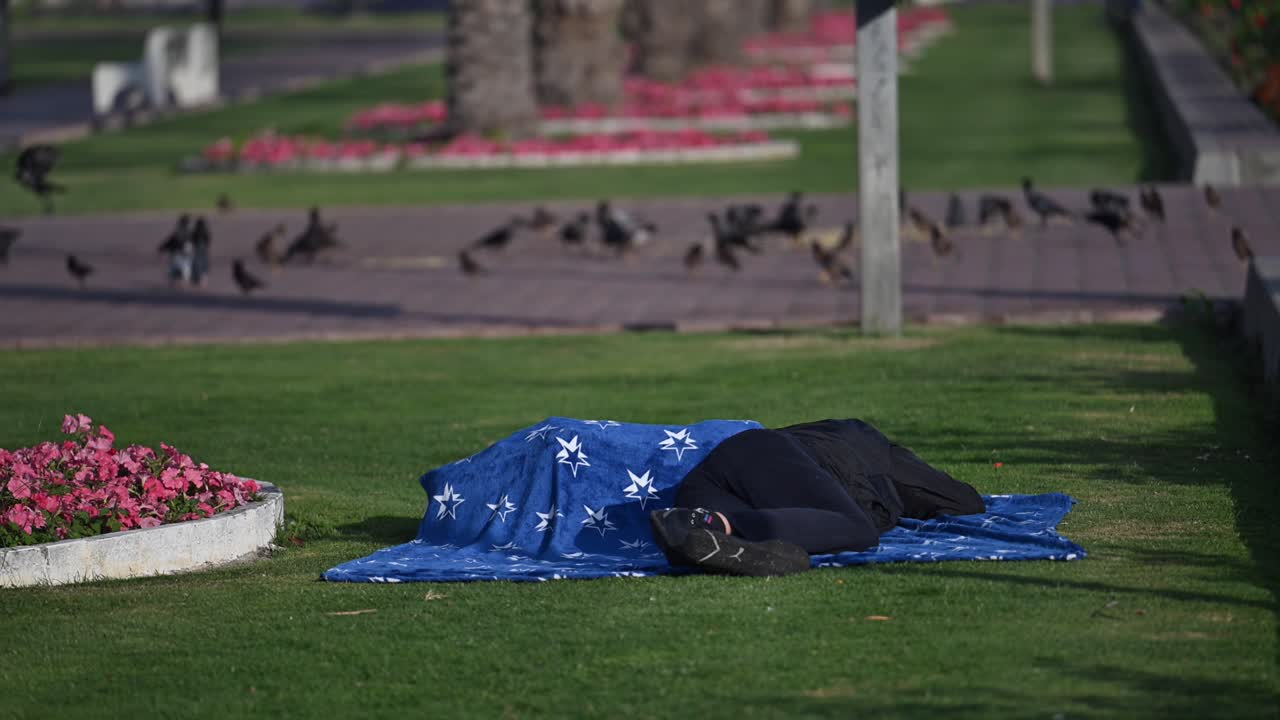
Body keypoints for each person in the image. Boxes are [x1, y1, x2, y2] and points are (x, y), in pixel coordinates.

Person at [650, 419, 985, 577]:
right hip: (757, 462)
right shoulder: (874, 451)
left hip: (715, 485)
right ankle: (719, 526)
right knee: (857, 530)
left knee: (790, 541)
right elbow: (964, 501)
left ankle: (700, 534)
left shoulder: (851, 455)